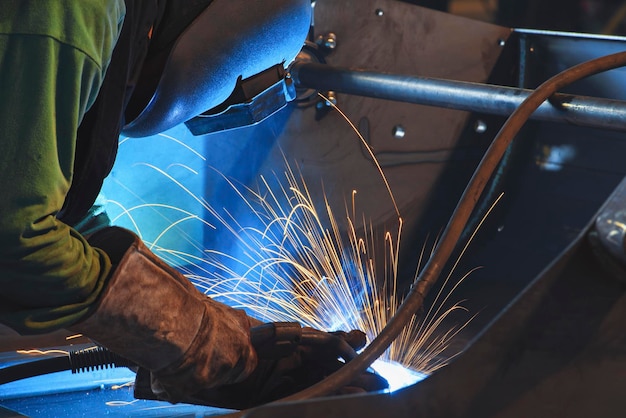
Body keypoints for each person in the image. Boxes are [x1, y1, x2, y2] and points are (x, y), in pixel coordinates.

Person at [0, 0, 386, 407]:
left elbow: (58, 214)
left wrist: (227, 338)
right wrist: (202, 342)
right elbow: (17, 233)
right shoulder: (72, 11)